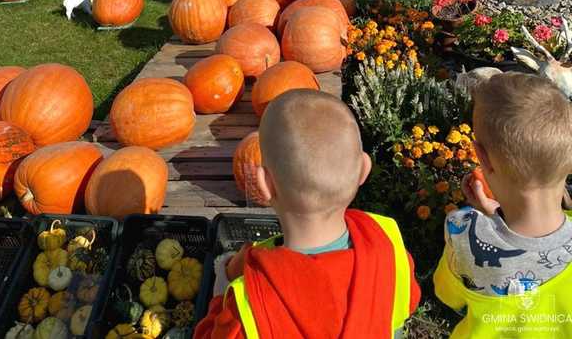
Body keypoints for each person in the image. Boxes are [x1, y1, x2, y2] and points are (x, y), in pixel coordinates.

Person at [195, 89, 421, 339]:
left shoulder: (249, 303)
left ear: (264, 184)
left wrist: (221, 291)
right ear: (363, 170)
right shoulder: (389, 244)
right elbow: (408, 301)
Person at [434, 72, 572, 338]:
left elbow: (447, 294)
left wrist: (484, 220)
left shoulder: (463, 231)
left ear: (482, 158)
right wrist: (493, 215)